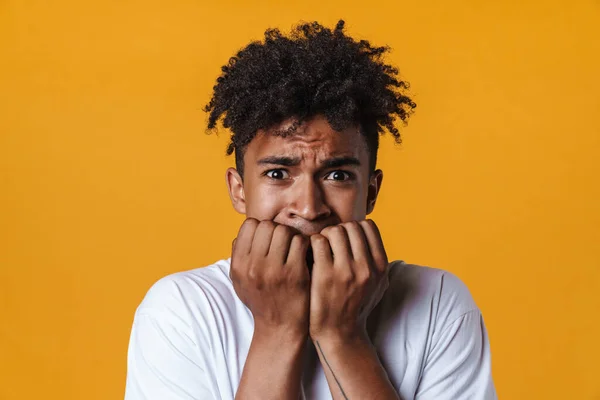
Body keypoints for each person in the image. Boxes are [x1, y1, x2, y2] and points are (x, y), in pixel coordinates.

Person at [124, 20, 497, 400]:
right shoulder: (181, 311)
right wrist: (277, 328)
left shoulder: (437, 303)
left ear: (370, 192)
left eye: (337, 174)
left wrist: (342, 335)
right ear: (239, 190)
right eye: (278, 173)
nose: (309, 206)